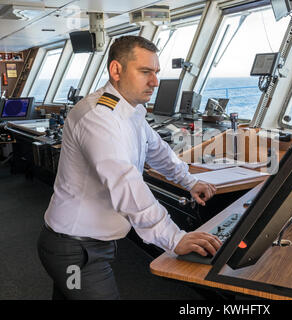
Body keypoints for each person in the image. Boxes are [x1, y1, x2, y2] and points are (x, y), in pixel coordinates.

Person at [37, 35, 221, 300]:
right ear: (116, 70)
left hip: (89, 245)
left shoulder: (130, 111)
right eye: (145, 72)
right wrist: (174, 238)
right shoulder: (98, 118)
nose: (155, 81)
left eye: (156, 72)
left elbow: (157, 150)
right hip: (74, 254)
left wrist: (190, 182)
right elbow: (126, 182)